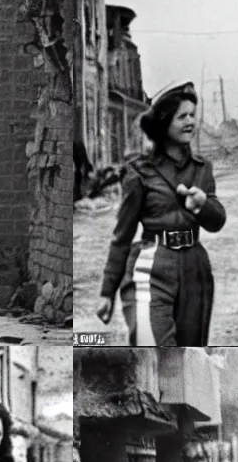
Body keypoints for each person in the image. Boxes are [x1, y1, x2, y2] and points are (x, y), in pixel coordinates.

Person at [95, 80, 226, 347]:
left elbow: (217, 221)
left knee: (189, 356)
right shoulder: (140, 172)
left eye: (192, 115)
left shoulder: (202, 169)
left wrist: (202, 205)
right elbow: (123, 235)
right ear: (165, 122)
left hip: (195, 270)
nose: (190, 121)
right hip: (151, 265)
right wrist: (107, 291)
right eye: (182, 116)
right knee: (152, 350)